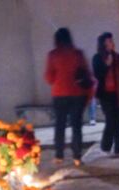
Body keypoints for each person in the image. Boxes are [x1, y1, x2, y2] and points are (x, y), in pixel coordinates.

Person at [44, 27, 93, 166]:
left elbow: (48, 77)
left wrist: (58, 80)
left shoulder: (53, 55)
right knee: (76, 126)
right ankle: (77, 157)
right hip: (78, 94)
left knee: (60, 125)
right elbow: (86, 73)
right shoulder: (78, 54)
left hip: (59, 94)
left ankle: (59, 155)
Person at [92, 32, 119, 157]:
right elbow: (97, 75)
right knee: (111, 119)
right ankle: (106, 145)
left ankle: (118, 146)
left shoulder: (118, 57)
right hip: (105, 94)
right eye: (109, 42)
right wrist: (107, 65)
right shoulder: (97, 58)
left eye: (112, 41)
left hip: (118, 92)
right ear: (103, 44)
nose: (112, 44)